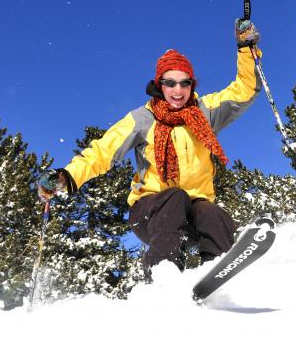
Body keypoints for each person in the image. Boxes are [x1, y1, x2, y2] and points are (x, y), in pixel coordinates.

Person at [37, 20, 262, 273]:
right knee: (175, 197)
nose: (178, 90)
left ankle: (218, 273)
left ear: (192, 85)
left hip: (193, 213)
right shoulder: (142, 120)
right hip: (150, 212)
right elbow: (102, 152)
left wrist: (245, 48)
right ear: (159, 85)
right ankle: (162, 277)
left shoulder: (205, 112)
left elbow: (245, 89)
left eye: (184, 83)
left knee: (214, 215)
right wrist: (65, 177)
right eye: (170, 83)